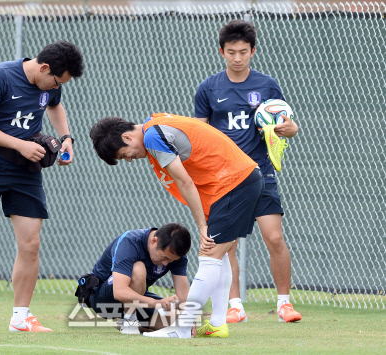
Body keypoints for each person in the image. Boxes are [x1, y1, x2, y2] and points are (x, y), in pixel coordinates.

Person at [0, 40, 84, 334]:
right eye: (57, 81)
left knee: (31, 244)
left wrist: (67, 138)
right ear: (44, 67)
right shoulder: (0, 76)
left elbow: (55, 106)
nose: (56, 87)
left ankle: (21, 317)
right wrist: (20, 145)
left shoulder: (51, 83)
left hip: (25, 171)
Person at [89, 113, 264, 338]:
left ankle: (181, 330)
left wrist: (201, 224)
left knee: (209, 254)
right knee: (220, 254)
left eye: (125, 155)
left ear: (127, 137)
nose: (131, 159)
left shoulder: (152, 136)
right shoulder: (157, 123)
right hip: (240, 181)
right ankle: (218, 322)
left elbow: (184, 181)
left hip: (233, 184)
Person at [194, 19, 301, 323]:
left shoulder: (267, 85)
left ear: (253, 51)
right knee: (227, 244)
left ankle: (284, 304)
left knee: (275, 238)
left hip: (260, 173)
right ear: (221, 52)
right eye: (231, 52)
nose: (238, 57)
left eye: (243, 51)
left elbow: (287, 125)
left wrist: (290, 128)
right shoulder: (208, 88)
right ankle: (235, 306)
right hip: (224, 177)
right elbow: (200, 135)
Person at [78, 223, 191, 335]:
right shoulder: (129, 242)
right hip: (103, 298)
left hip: (136, 299)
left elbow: (183, 294)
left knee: (177, 321)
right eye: (164, 257)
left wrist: (187, 320)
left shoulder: (175, 255)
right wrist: (155, 303)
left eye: (171, 260)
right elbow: (119, 292)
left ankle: (136, 324)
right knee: (138, 268)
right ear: (154, 241)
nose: (166, 263)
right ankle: (129, 321)